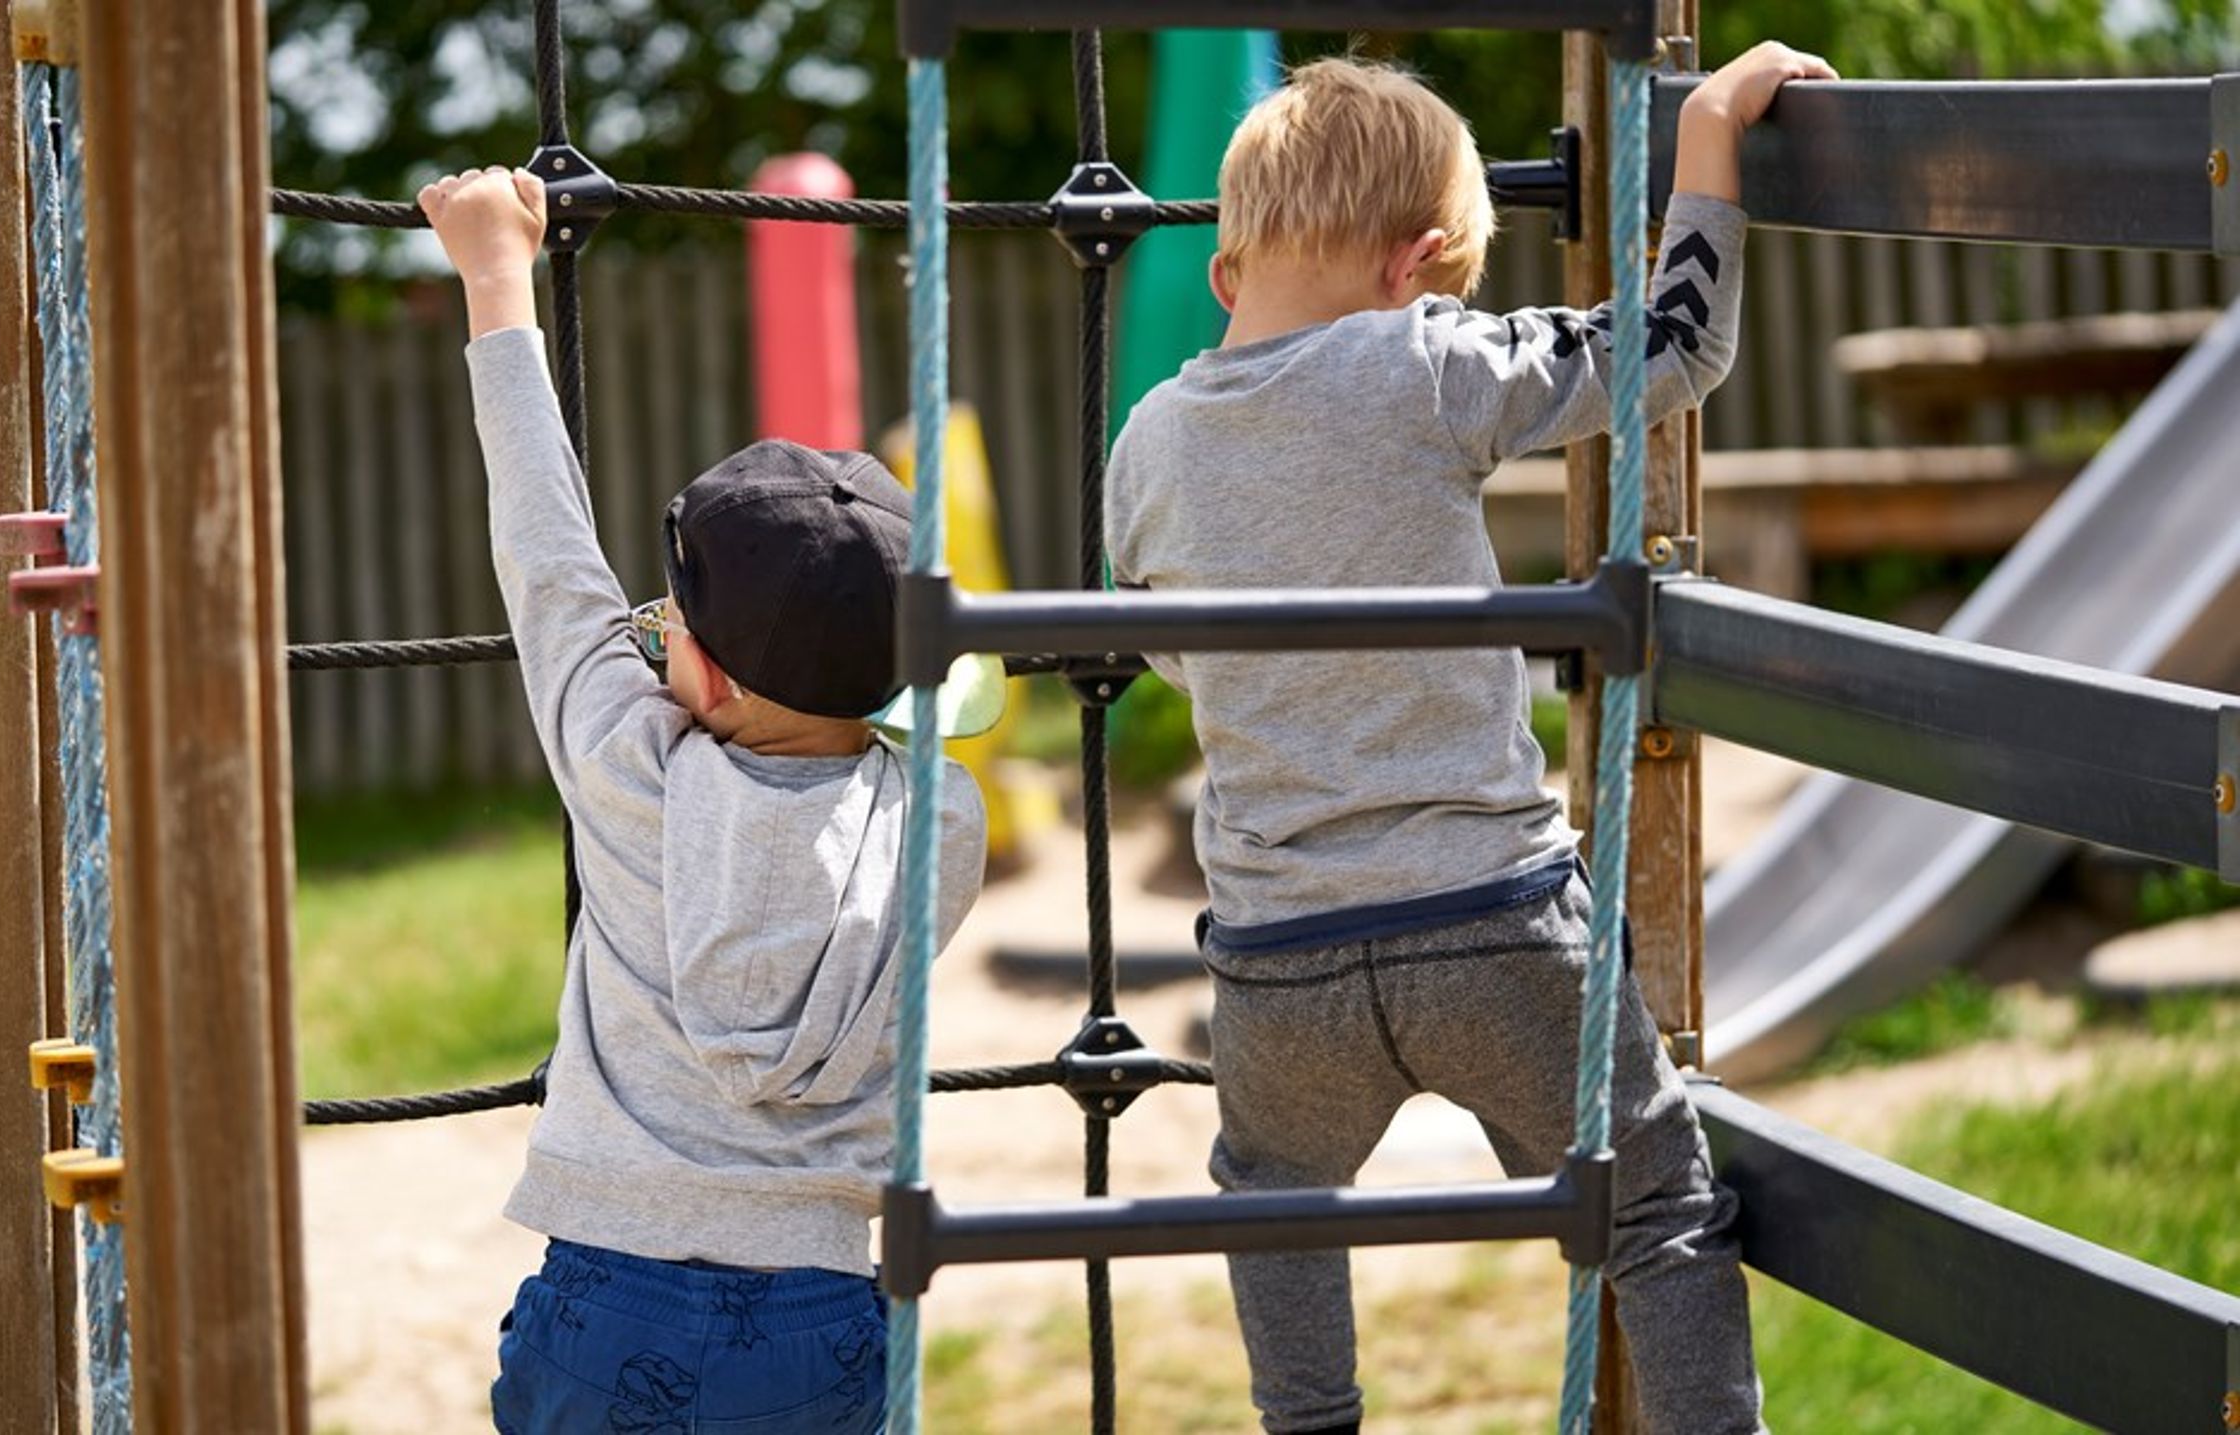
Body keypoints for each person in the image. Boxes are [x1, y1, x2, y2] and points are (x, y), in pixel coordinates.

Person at [1104, 44, 1836, 1435]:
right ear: (1417, 265)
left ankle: (1311, 1420)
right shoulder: (1427, 361)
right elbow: (1675, 345)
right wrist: (1712, 128)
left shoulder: (1146, 443)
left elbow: (1166, 648)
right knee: (1657, 1209)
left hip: (1277, 960)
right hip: (1492, 923)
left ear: (1222, 274)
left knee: (1272, 1205)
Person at [418, 164, 990, 1435]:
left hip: (611, 1301)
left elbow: (547, 549)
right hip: (835, 1308)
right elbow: (930, 727)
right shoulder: (940, 820)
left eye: (669, 617)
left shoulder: (631, 767)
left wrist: (495, 273)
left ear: (706, 672)